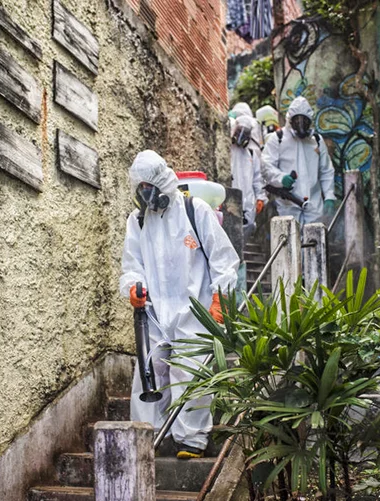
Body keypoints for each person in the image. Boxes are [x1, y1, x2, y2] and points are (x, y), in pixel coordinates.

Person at [119, 150, 240, 459]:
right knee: (150, 372)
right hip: (155, 313)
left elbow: (224, 260)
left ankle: (192, 441)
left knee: (190, 372)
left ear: (162, 181)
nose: (146, 195)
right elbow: (132, 264)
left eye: (150, 187)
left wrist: (219, 299)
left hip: (194, 310)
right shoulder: (138, 221)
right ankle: (149, 435)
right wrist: (133, 286)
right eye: (141, 189)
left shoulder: (194, 210)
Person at [261, 96, 336, 225]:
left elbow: (326, 171)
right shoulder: (278, 139)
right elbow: (266, 166)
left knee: (314, 241)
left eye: (304, 121)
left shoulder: (317, 141)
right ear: (290, 120)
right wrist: (281, 178)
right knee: (290, 240)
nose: (301, 125)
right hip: (287, 204)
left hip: (314, 204)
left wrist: (329, 196)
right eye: (297, 121)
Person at [231, 114, 267, 240]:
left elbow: (257, 179)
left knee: (249, 226)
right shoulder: (228, 149)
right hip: (230, 198)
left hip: (247, 201)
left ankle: (240, 255)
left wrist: (260, 198)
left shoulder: (251, 154)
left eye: (245, 133)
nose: (241, 136)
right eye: (240, 131)